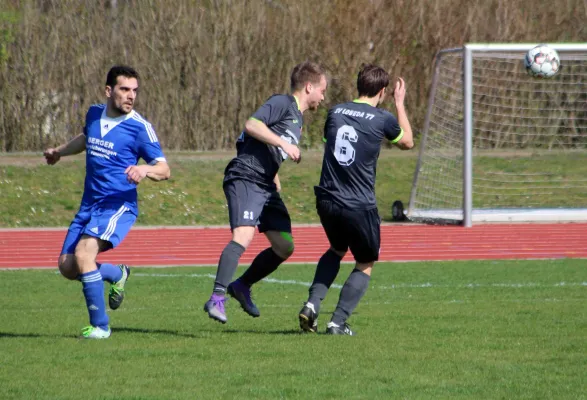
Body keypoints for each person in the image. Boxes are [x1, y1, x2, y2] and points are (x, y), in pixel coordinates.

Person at [43, 65, 170, 339]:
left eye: (135, 91)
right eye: (125, 89)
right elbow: (86, 139)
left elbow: (164, 168)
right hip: (89, 205)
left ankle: (100, 326)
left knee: (85, 254)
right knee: (68, 266)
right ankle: (116, 274)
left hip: (117, 205)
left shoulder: (139, 128)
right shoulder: (93, 113)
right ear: (109, 91)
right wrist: (60, 152)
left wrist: (145, 170)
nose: (131, 96)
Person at [204, 61, 328, 324]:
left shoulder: (298, 118)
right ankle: (216, 298)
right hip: (247, 176)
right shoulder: (283, 102)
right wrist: (283, 143)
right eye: (322, 91)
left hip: (266, 184)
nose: (323, 97)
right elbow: (251, 125)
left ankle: (242, 286)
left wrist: (275, 174)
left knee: (285, 246)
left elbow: (257, 144)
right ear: (309, 87)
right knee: (243, 236)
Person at [298, 64, 414, 335]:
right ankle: (337, 322)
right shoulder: (382, 118)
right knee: (365, 262)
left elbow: (332, 141)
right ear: (382, 91)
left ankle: (312, 305)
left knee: (337, 249)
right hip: (357, 204)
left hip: (327, 199)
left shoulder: (335, 111)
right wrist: (399, 104)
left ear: (359, 86)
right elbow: (407, 141)